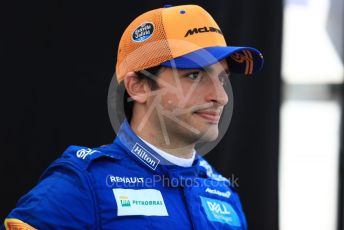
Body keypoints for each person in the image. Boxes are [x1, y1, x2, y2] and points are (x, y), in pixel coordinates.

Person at [3, 4, 263, 230]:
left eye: (222, 78)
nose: (221, 97)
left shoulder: (223, 193)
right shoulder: (86, 183)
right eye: (194, 76)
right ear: (138, 86)